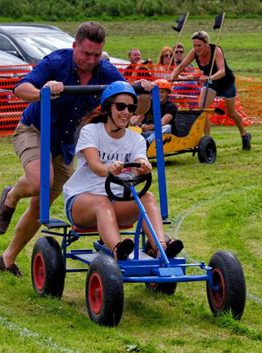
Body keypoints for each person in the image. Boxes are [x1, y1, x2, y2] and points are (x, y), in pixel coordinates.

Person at [0, 21, 151, 277]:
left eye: (96, 55)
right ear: (74, 45)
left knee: (40, 204)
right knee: (40, 181)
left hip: (66, 144)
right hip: (35, 130)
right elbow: (20, 88)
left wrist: (141, 90)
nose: (91, 60)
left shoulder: (106, 72)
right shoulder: (56, 62)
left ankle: (7, 259)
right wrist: (43, 91)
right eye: (86, 53)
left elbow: (131, 104)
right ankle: (11, 196)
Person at [63, 81, 183, 260]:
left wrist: (144, 165)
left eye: (131, 108)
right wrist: (109, 168)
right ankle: (117, 249)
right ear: (107, 108)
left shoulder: (136, 140)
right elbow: (95, 166)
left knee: (147, 197)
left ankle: (161, 248)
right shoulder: (91, 131)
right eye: (120, 106)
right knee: (102, 203)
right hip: (82, 202)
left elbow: (139, 159)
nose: (126, 112)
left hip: (117, 202)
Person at [170, 30, 251, 150]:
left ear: (206, 44)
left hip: (226, 83)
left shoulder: (216, 50)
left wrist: (209, 78)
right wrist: (172, 77)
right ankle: (208, 141)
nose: (196, 48)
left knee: (231, 113)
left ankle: (244, 135)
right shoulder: (194, 53)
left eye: (199, 45)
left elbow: (222, 71)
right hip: (211, 84)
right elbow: (181, 66)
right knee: (202, 109)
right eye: (194, 45)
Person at [132, 79, 178, 145]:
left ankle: (147, 142)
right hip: (146, 132)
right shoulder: (148, 103)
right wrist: (136, 123)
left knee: (167, 127)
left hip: (163, 134)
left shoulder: (171, 106)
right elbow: (139, 116)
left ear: (167, 93)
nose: (159, 94)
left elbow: (163, 122)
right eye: (157, 92)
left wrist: (148, 127)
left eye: (162, 92)